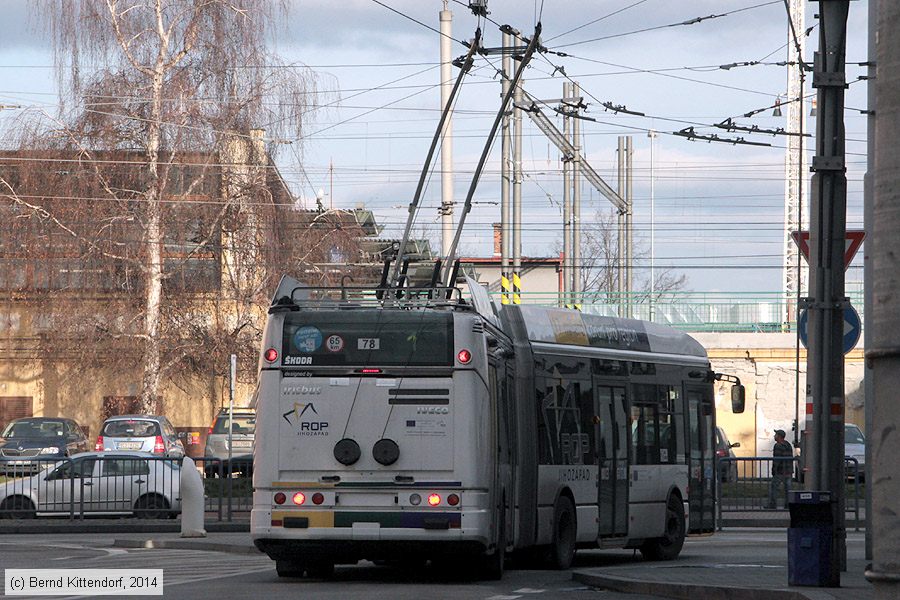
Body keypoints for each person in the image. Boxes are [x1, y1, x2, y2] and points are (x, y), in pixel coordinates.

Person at [767, 429, 793, 509]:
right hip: (788, 471)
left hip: (780, 471)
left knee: (774, 488)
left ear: (779, 436)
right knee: (788, 490)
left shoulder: (778, 445)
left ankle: (772, 504)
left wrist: (774, 470)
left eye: (776, 435)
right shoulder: (788, 444)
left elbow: (777, 460)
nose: (774, 436)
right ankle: (788, 505)